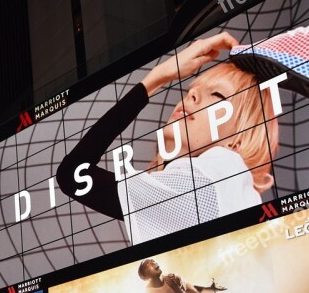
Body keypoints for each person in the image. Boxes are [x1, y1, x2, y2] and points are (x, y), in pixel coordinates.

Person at [56, 32, 279, 245]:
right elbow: (72, 176)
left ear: (237, 141)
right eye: (191, 90)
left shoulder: (224, 172)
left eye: (217, 94)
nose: (191, 95)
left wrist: (158, 77)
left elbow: (72, 174)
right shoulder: (202, 195)